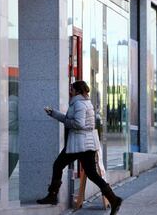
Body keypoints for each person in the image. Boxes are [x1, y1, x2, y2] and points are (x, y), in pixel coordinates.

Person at [37, 80, 122, 215]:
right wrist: (53, 113)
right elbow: (71, 119)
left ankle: (52, 196)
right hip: (86, 143)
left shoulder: (79, 103)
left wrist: (66, 122)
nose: (70, 91)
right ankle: (113, 199)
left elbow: (79, 124)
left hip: (79, 143)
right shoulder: (84, 102)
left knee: (58, 165)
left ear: (77, 91)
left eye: (72, 89)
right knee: (92, 174)